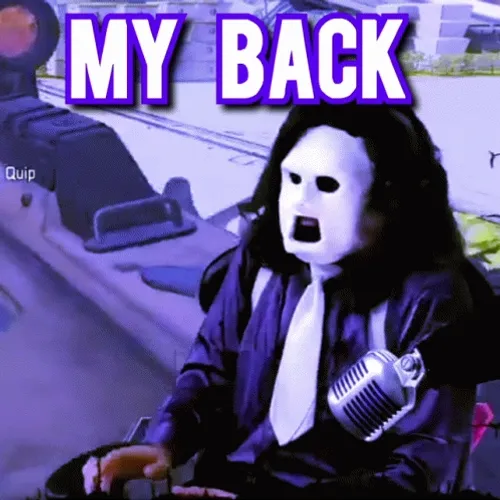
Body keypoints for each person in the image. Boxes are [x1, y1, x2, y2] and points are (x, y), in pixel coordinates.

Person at [93, 102, 482, 498]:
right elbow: (211, 370)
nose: (301, 200)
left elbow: (426, 466)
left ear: (390, 200)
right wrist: (166, 442)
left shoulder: (430, 298)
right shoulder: (260, 261)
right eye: (293, 179)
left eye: (326, 185)